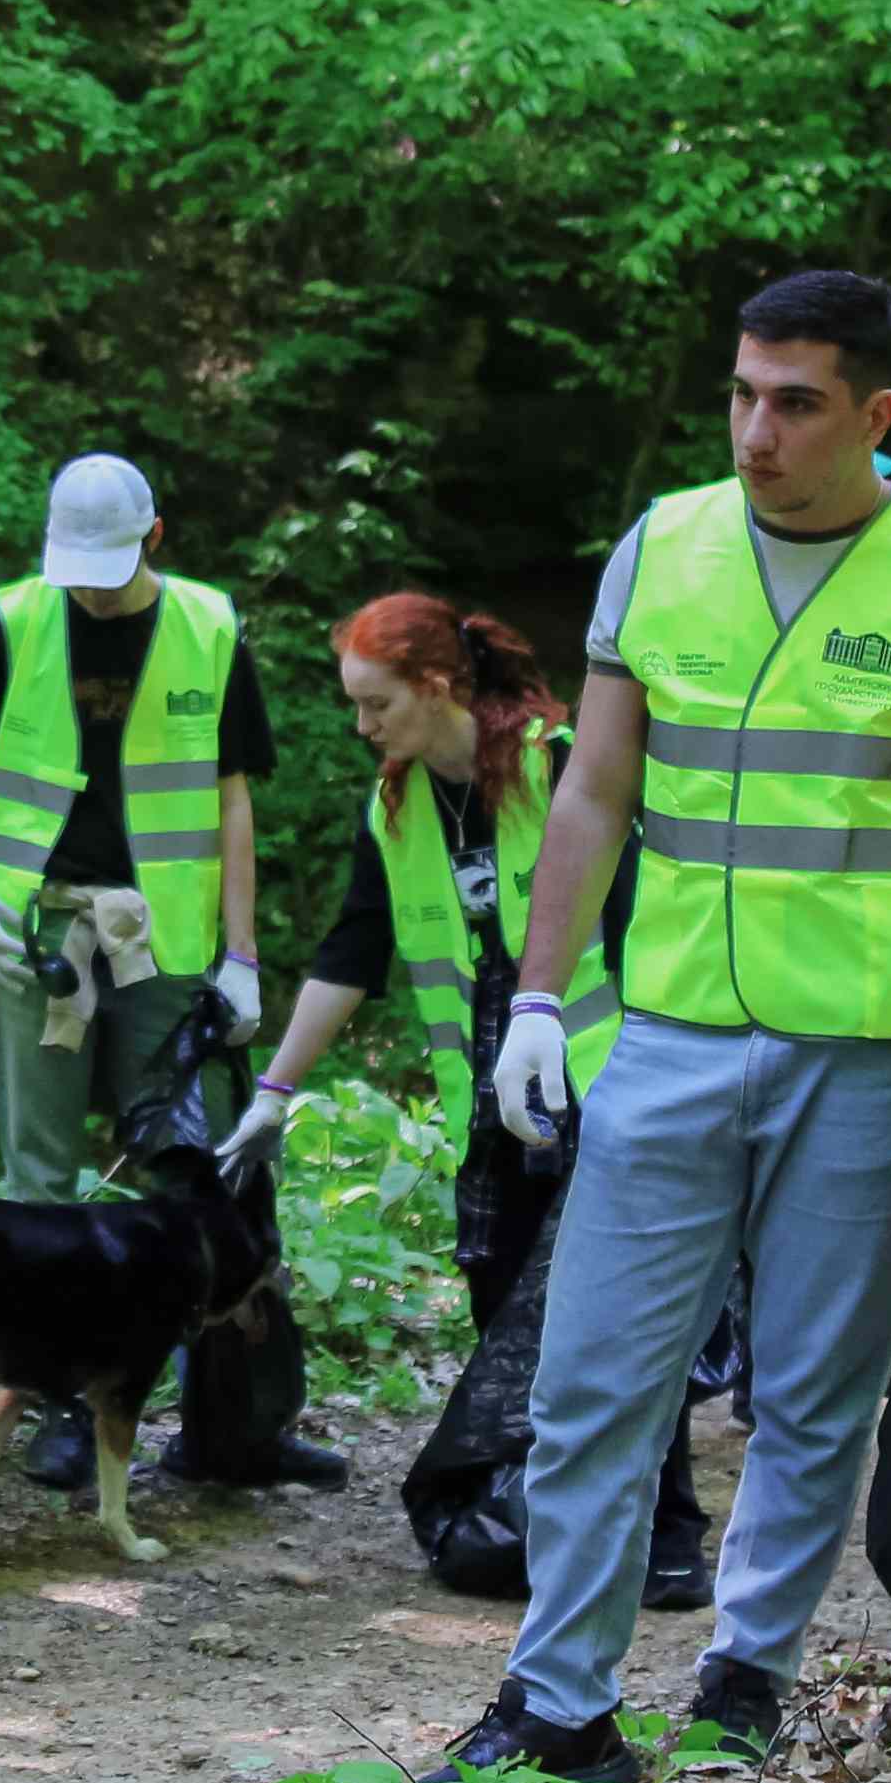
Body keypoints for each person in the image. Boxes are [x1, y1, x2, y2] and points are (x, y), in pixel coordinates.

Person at [430, 269, 891, 1783]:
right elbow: (593, 790)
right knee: (590, 1382)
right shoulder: (666, 544)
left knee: (813, 1394)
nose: (753, 432)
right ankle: (556, 1704)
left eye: (794, 402)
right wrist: (533, 998)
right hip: (669, 1032)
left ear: (873, 415)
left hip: (864, 1053)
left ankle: (742, 1679)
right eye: (739, 392)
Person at [221, 594, 708, 1601]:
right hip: (488, 1108)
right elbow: (351, 954)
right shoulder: (395, 808)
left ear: (437, 687)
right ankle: (546, 1521)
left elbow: (644, 924)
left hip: (602, 1088)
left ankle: (668, 1531)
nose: (363, 728)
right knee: (504, 1314)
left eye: (376, 704)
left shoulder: (556, 763)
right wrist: (275, 1087)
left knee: (618, 1319)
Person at [0, 455, 316, 1491]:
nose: (92, 590)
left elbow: (232, 798)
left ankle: (233, 1425)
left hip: (166, 941)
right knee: (40, 1183)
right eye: (76, 572)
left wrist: (242, 955)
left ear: (154, 538)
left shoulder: (207, 625)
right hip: (37, 937)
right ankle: (58, 1405)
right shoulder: (17, 621)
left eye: (108, 567)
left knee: (196, 1170)